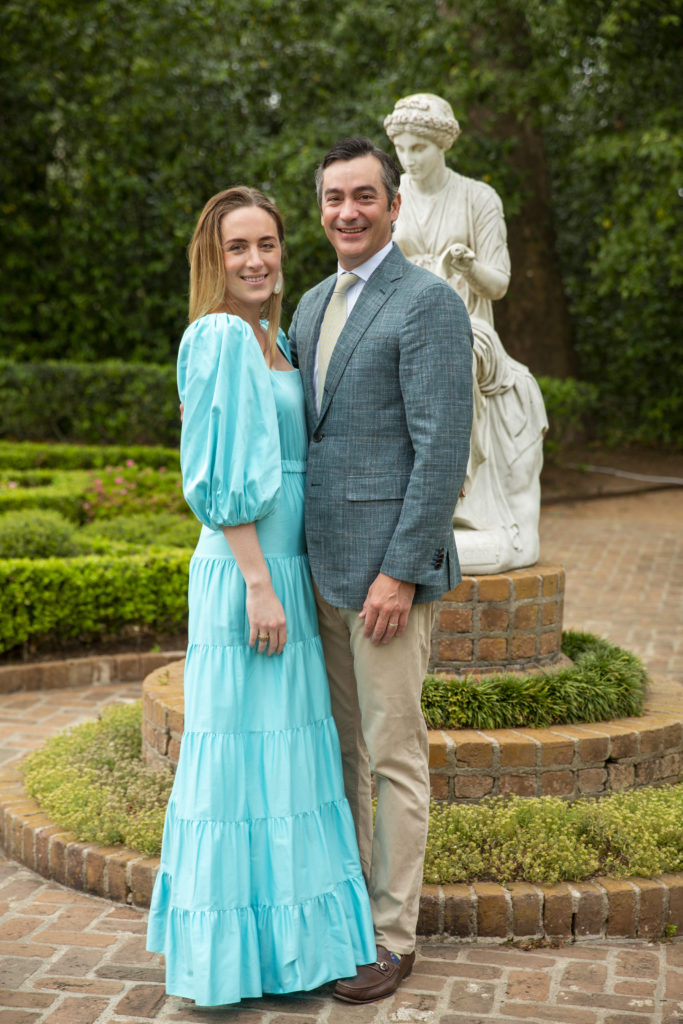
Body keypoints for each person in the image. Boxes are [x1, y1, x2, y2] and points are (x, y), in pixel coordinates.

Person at [146, 186, 376, 1006]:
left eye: (267, 244)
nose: (255, 260)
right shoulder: (218, 336)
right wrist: (256, 584)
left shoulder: (273, 338)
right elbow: (215, 478)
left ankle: (287, 952)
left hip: (285, 569)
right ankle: (227, 962)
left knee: (284, 764)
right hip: (248, 571)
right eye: (237, 246)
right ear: (214, 259)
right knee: (240, 763)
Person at [288, 137, 472, 1003]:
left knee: (393, 754)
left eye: (364, 195)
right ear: (320, 209)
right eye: (334, 198)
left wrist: (400, 573)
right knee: (339, 755)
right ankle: (344, 918)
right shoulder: (309, 304)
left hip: (384, 581)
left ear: (394, 206)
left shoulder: (427, 302)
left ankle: (392, 938)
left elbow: (442, 451)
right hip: (319, 572)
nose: (347, 211)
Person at [384, 93, 548, 575]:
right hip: (401, 322)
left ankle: (457, 493)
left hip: (468, 327)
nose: (409, 159)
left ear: (442, 145)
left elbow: (498, 284)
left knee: (452, 352)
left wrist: (469, 267)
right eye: (401, 148)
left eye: (419, 148)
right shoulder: (391, 198)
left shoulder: (478, 198)